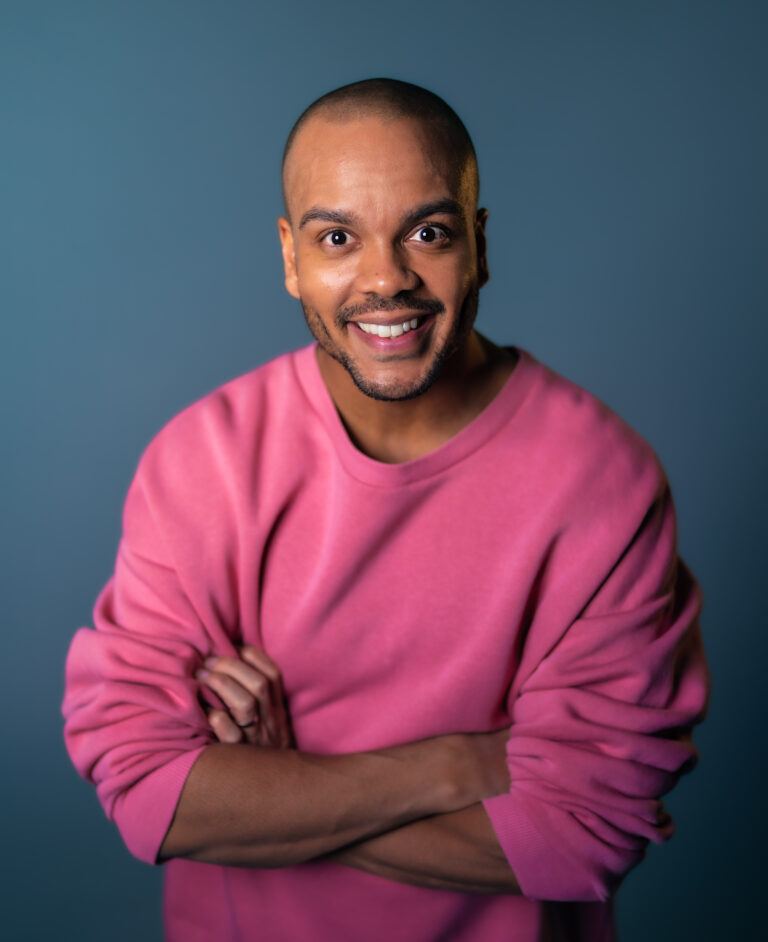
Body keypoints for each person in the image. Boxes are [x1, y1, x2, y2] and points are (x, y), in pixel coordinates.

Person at [62, 78, 709, 942]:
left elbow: (583, 835)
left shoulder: (603, 483)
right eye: (338, 238)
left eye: (427, 233)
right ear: (291, 258)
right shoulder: (200, 463)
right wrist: (452, 767)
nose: (386, 279)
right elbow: (149, 792)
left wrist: (274, 792)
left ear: (479, 245)